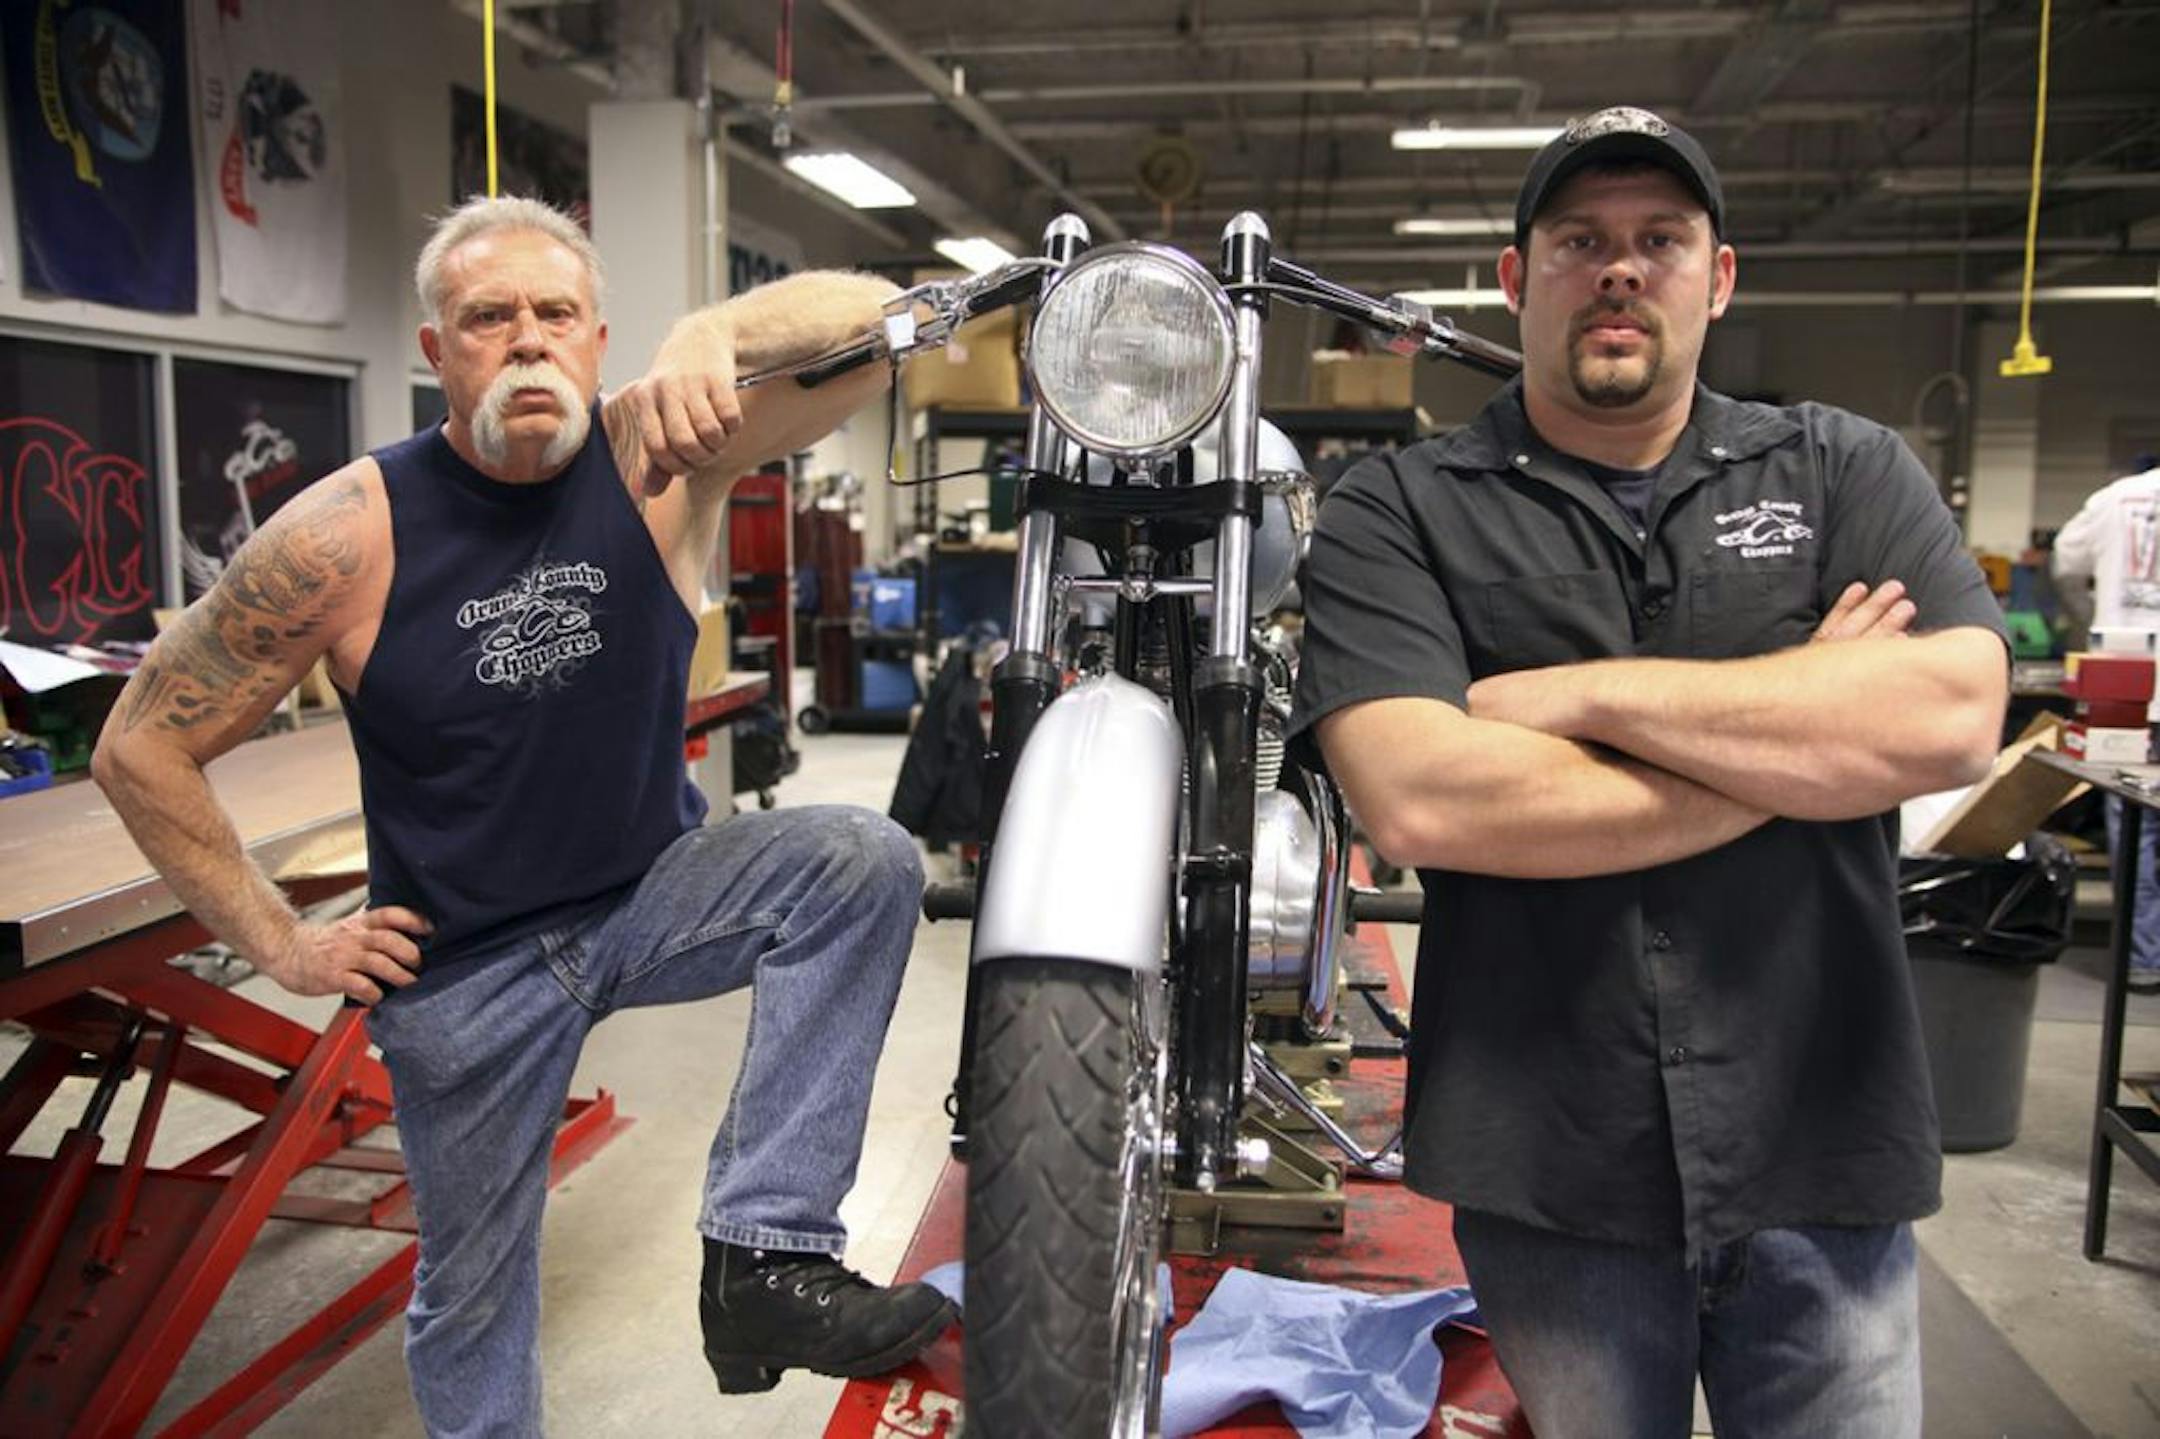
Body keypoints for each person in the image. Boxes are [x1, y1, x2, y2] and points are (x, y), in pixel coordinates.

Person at [91, 195, 953, 1435]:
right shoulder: (348, 531)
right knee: (473, 1290)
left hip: (645, 902)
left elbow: (888, 329)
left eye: (556, 314)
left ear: (600, 339)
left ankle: (764, 1257)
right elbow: (140, 744)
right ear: (439, 352)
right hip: (466, 967)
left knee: (857, 857)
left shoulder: (662, 457)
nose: (528, 340)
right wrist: (283, 940)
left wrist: (714, 329)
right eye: (489, 317)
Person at [1292, 106, 2009, 1437]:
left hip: (1821, 1135)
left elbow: (1955, 716)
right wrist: (1803, 743)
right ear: (1516, 280)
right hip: (1552, 1162)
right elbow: (1422, 794)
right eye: (1580, 240)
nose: (1620, 268)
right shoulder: (1400, 510)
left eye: (1660, 240)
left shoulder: (1842, 466)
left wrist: (1582, 697)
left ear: (1717, 276)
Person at [2052, 457, 2160, 994]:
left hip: (2121, 661)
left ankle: (2143, 955)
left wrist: (2089, 614)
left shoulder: (2113, 499)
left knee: (2130, 810)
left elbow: (2065, 563)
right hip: (2121, 662)